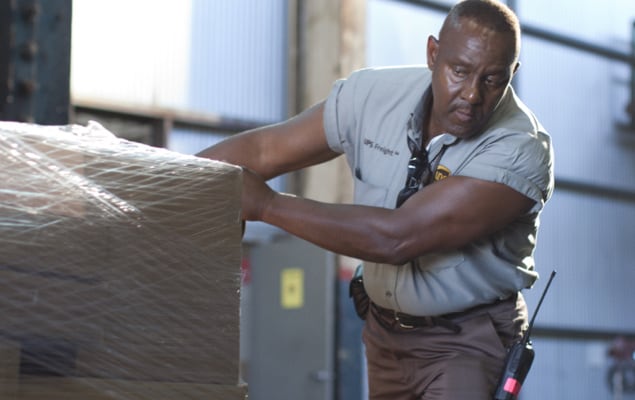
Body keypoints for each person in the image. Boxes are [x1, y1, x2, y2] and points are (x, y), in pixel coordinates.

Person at [198, 0, 554, 398]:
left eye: (492, 79)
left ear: (512, 74)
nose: (472, 95)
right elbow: (264, 151)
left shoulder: (521, 150)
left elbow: (397, 239)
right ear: (433, 54)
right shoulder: (373, 96)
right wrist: (166, 180)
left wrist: (266, 205)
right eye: (460, 71)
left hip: (466, 342)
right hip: (385, 336)